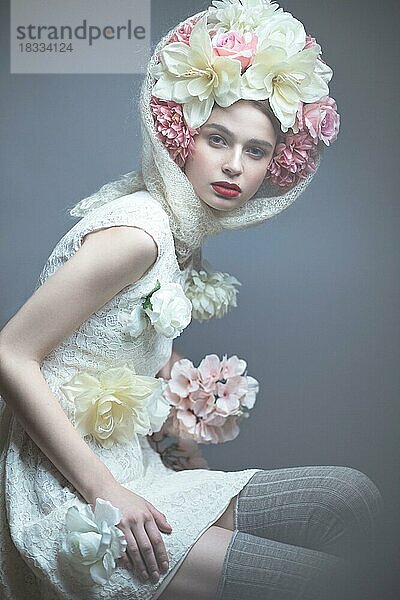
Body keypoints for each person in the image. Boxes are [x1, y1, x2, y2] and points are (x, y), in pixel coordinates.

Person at [0, 1, 383, 599]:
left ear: (274, 167)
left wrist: (177, 434)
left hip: (135, 468)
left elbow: (109, 356)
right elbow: (9, 354)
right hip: (69, 489)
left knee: (352, 496)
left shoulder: (177, 236)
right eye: (216, 139)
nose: (233, 164)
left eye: (255, 151)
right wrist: (108, 491)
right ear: (181, 139)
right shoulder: (139, 234)